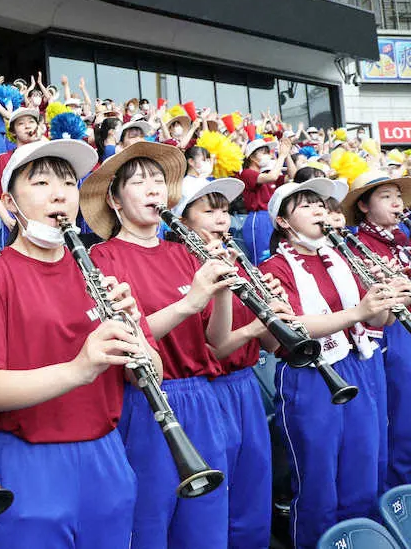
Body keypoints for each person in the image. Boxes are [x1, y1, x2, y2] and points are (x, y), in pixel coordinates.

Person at [0, 139, 159, 548]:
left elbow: (151, 375)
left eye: (69, 182)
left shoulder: (100, 271)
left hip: (106, 455)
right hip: (27, 461)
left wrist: (135, 330)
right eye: (41, 182)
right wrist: (78, 369)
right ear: (9, 203)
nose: (59, 193)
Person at [81, 141, 239, 548]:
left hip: (203, 397)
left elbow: (217, 344)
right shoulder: (102, 258)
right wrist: (191, 301)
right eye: (139, 182)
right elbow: (125, 339)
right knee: (150, 523)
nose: (153, 189)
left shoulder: (185, 253)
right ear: (115, 201)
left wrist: (221, 290)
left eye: (158, 180)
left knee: (207, 524)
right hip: (146, 400)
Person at [260, 178, 402, 549]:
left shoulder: (343, 256)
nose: (319, 210)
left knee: (365, 474)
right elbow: (289, 328)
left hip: (361, 364)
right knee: (319, 484)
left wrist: (388, 299)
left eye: (321, 204)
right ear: (283, 222)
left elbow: (376, 322)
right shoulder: (274, 268)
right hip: (311, 374)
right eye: (306, 205)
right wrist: (359, 310)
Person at [169, 178, 280, 549]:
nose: (221, 219)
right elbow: (209, 350)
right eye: (209, 210)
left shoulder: (237, 261)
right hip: (209, 390)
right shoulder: (182, 268)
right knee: (214, 505)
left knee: (253, 490)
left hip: (245, 383)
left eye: (225, 210)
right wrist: (252, 328)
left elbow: (271, 342)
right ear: (183, 222)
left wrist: (277, 315)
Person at [342, 170, 411, 490]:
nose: (397, 203)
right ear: (365, 206)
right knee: (402, 423)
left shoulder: (403, 236)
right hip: (392, 337)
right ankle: (399, 496)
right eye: (386, 196)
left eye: (398, 196)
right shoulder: (357, 245)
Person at [0, 107, 44, 243]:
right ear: (12, 132)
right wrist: (7, 220)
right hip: (14, 221)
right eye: (21, 123)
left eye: (31, 122)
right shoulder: (2, 160)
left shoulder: (46, 156)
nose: (27, 126)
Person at [239, 137, 294, 265]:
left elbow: (293, 176)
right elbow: (272, 177)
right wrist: (281, 156)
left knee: (275, 256)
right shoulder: (248, 173)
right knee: (262, 258)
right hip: (258, 219)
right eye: (263, 152)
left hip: (273, 218)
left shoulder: (267, 173)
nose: (267, 155)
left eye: (267, 152)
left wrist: (287, 156)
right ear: (252, 157)